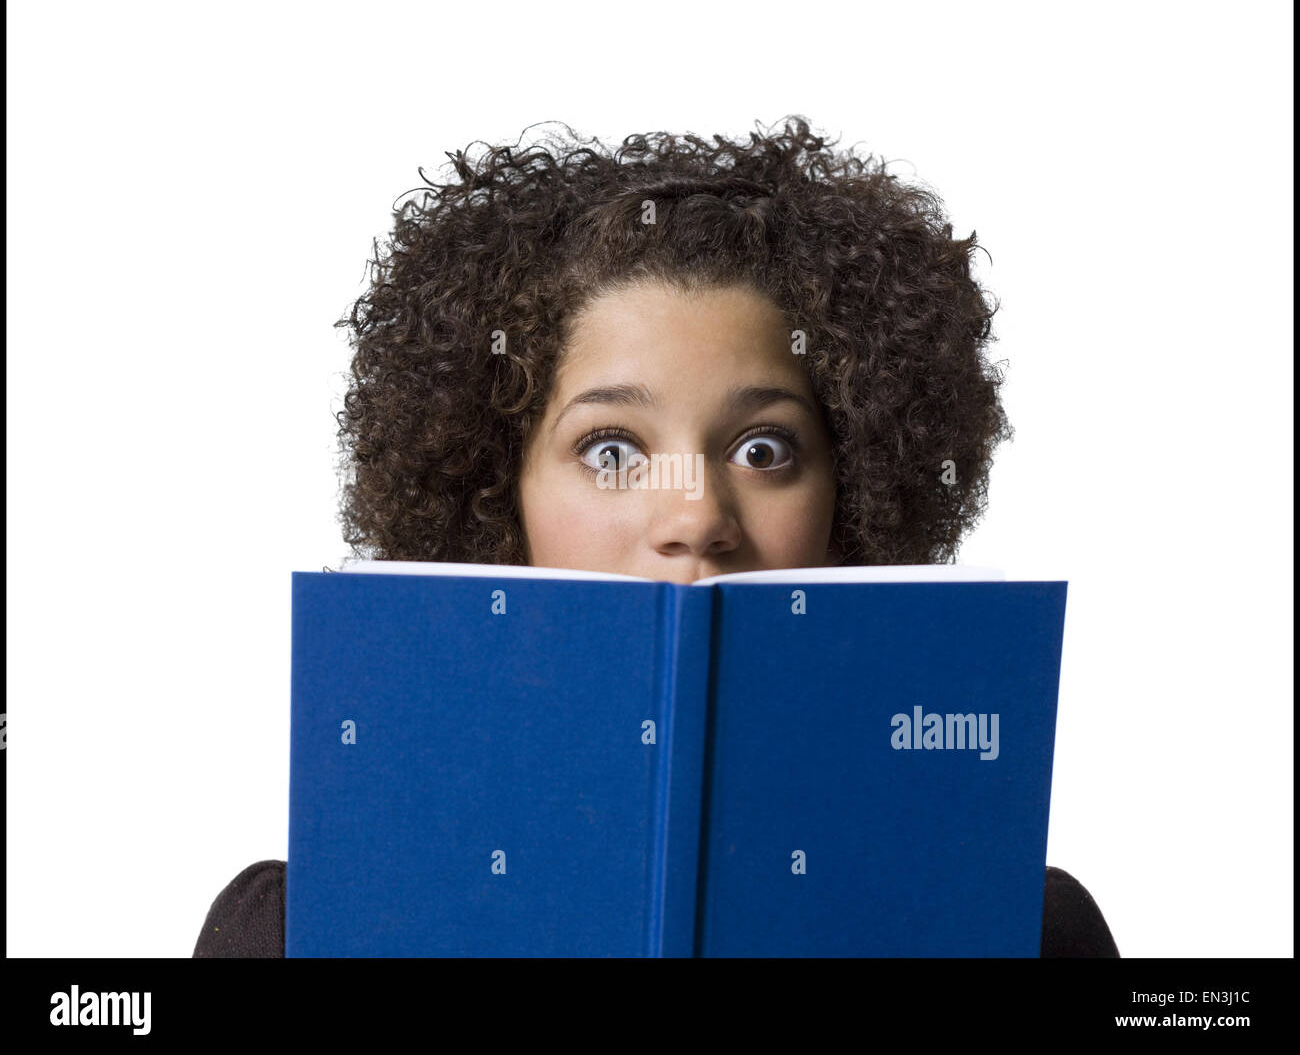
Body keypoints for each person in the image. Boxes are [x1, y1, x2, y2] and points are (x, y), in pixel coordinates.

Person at [194, 117, 1118, 957]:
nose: (696, 515)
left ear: (857, 493)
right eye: (611, 449)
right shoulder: (295, 932)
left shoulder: (1019, 931)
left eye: (763, 447)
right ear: (492, 494)